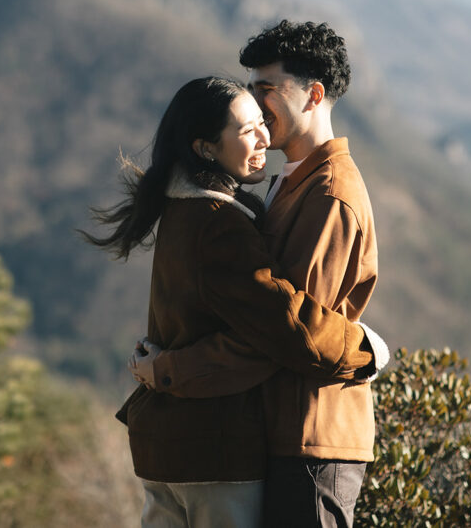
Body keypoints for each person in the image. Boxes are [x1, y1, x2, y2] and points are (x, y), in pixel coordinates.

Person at [83, 76, 384, 528]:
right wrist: (365, 348)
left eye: (262, 122)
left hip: (167, 450)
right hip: (213, 449)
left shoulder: (180, 210)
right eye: (248, 130)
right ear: (206, 149)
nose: (265, 135)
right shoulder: (219, 222)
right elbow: (284, 330)